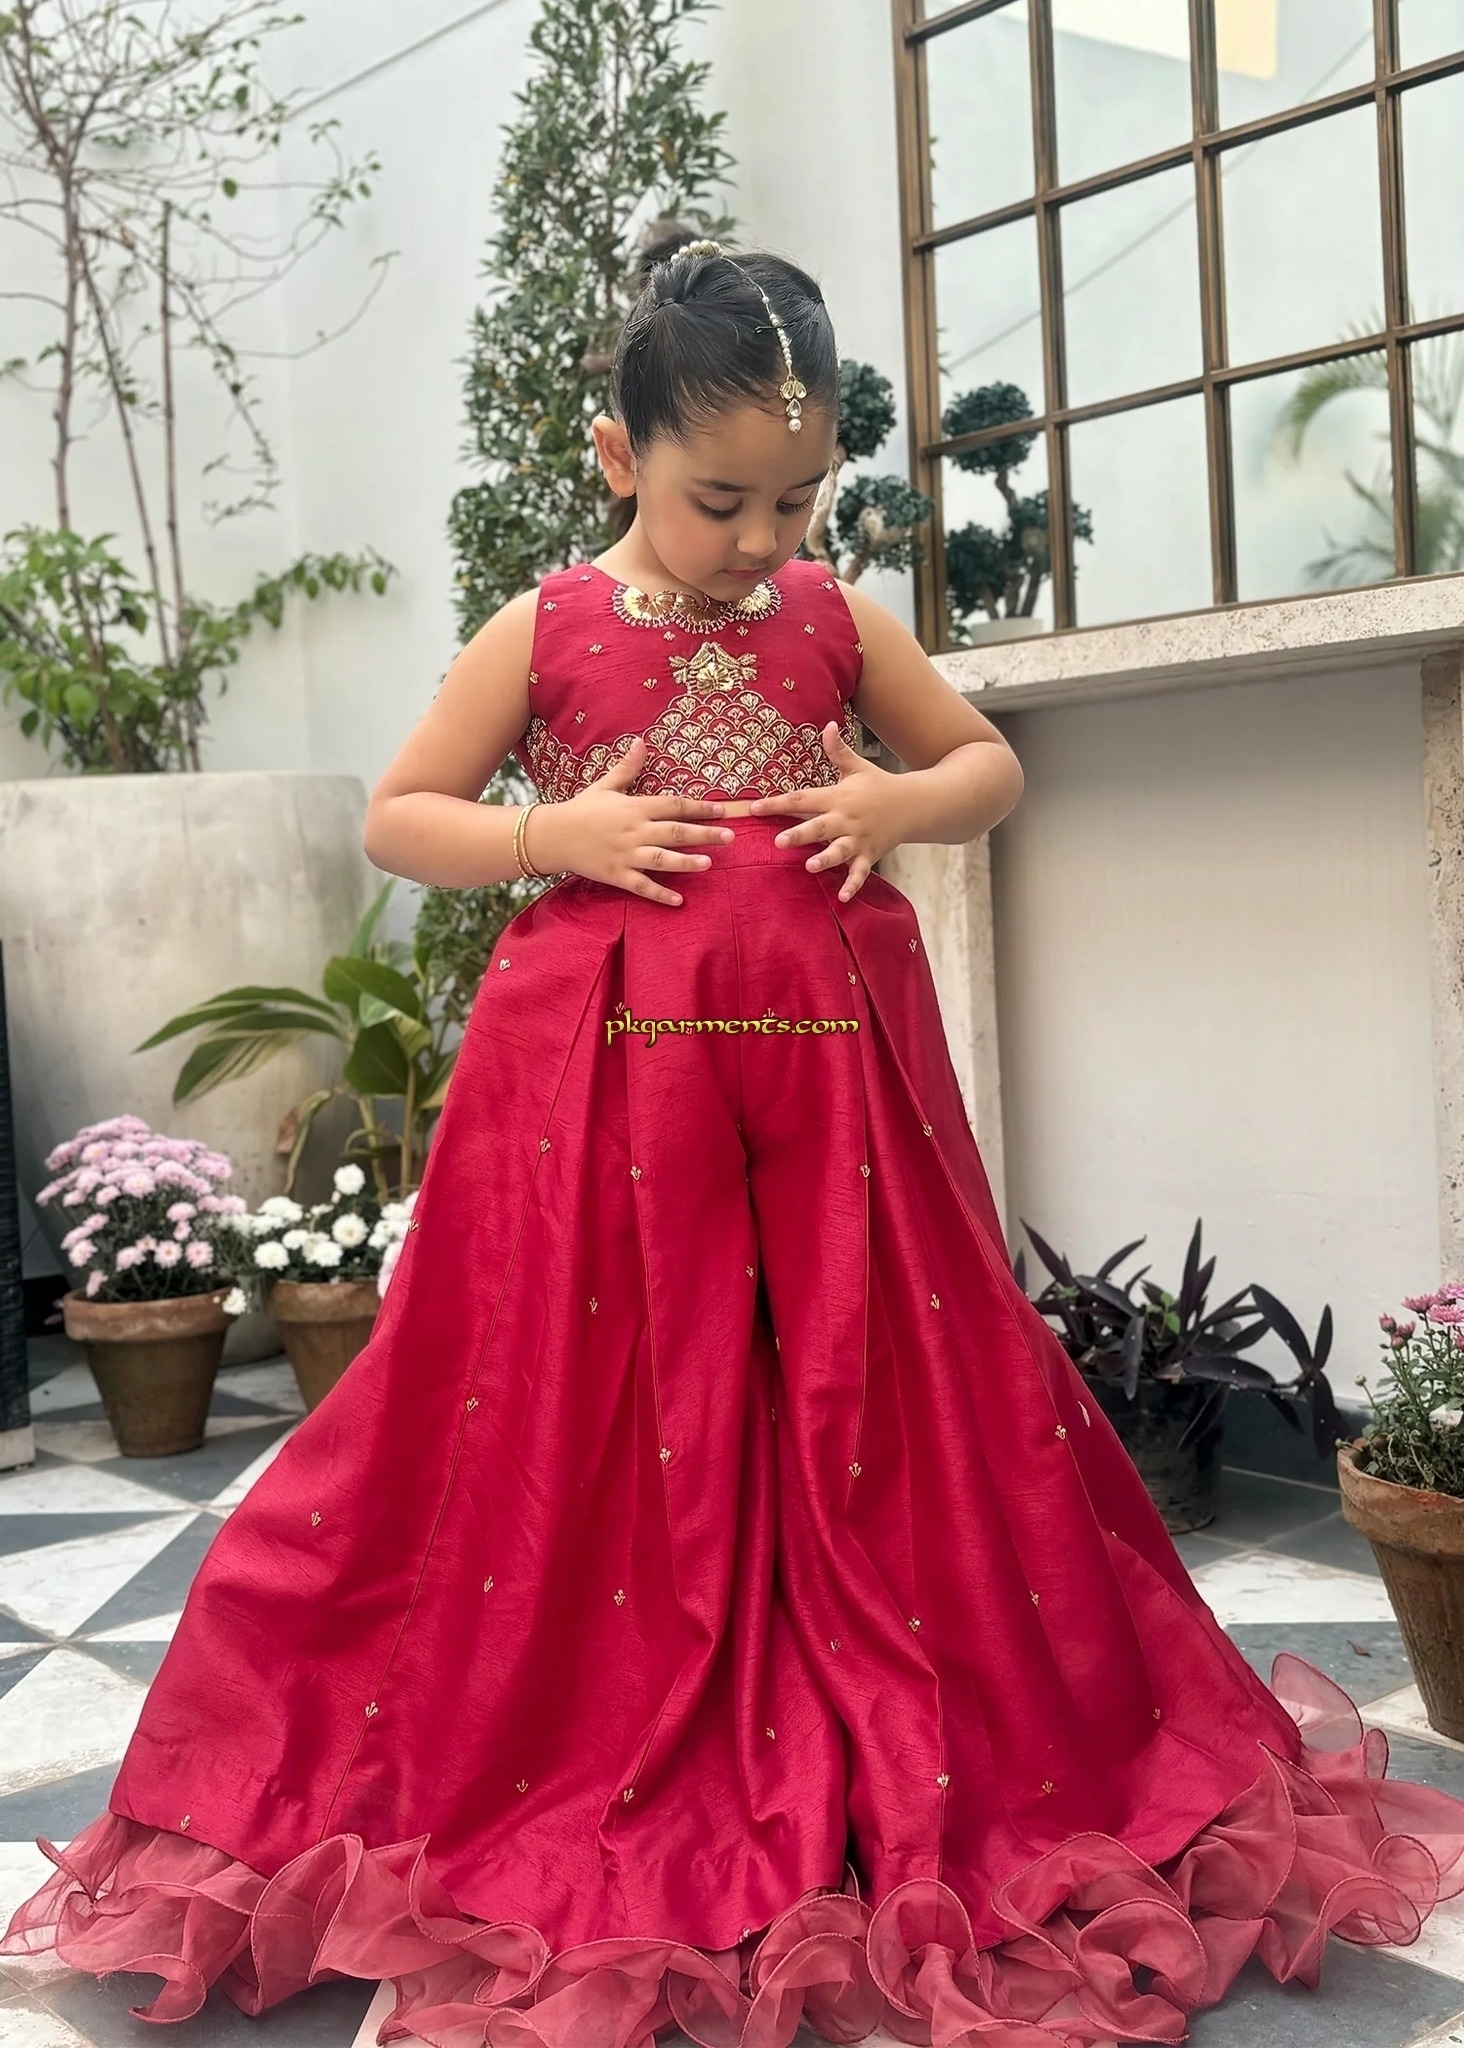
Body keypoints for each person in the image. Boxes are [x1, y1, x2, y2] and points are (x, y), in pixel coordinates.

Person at [5, 237, 1464, 2048]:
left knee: (862, 1374)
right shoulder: (545, 627)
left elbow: (990, 768)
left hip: (834, 1082)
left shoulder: (835, 621)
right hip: (603, 1093)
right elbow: (402, 815)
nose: (763, 538)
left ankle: (914, 1719)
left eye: (798, 497)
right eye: (720, 501)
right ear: (618, 456)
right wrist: (549, 841)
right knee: (608, 1384)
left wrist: (894, 798)